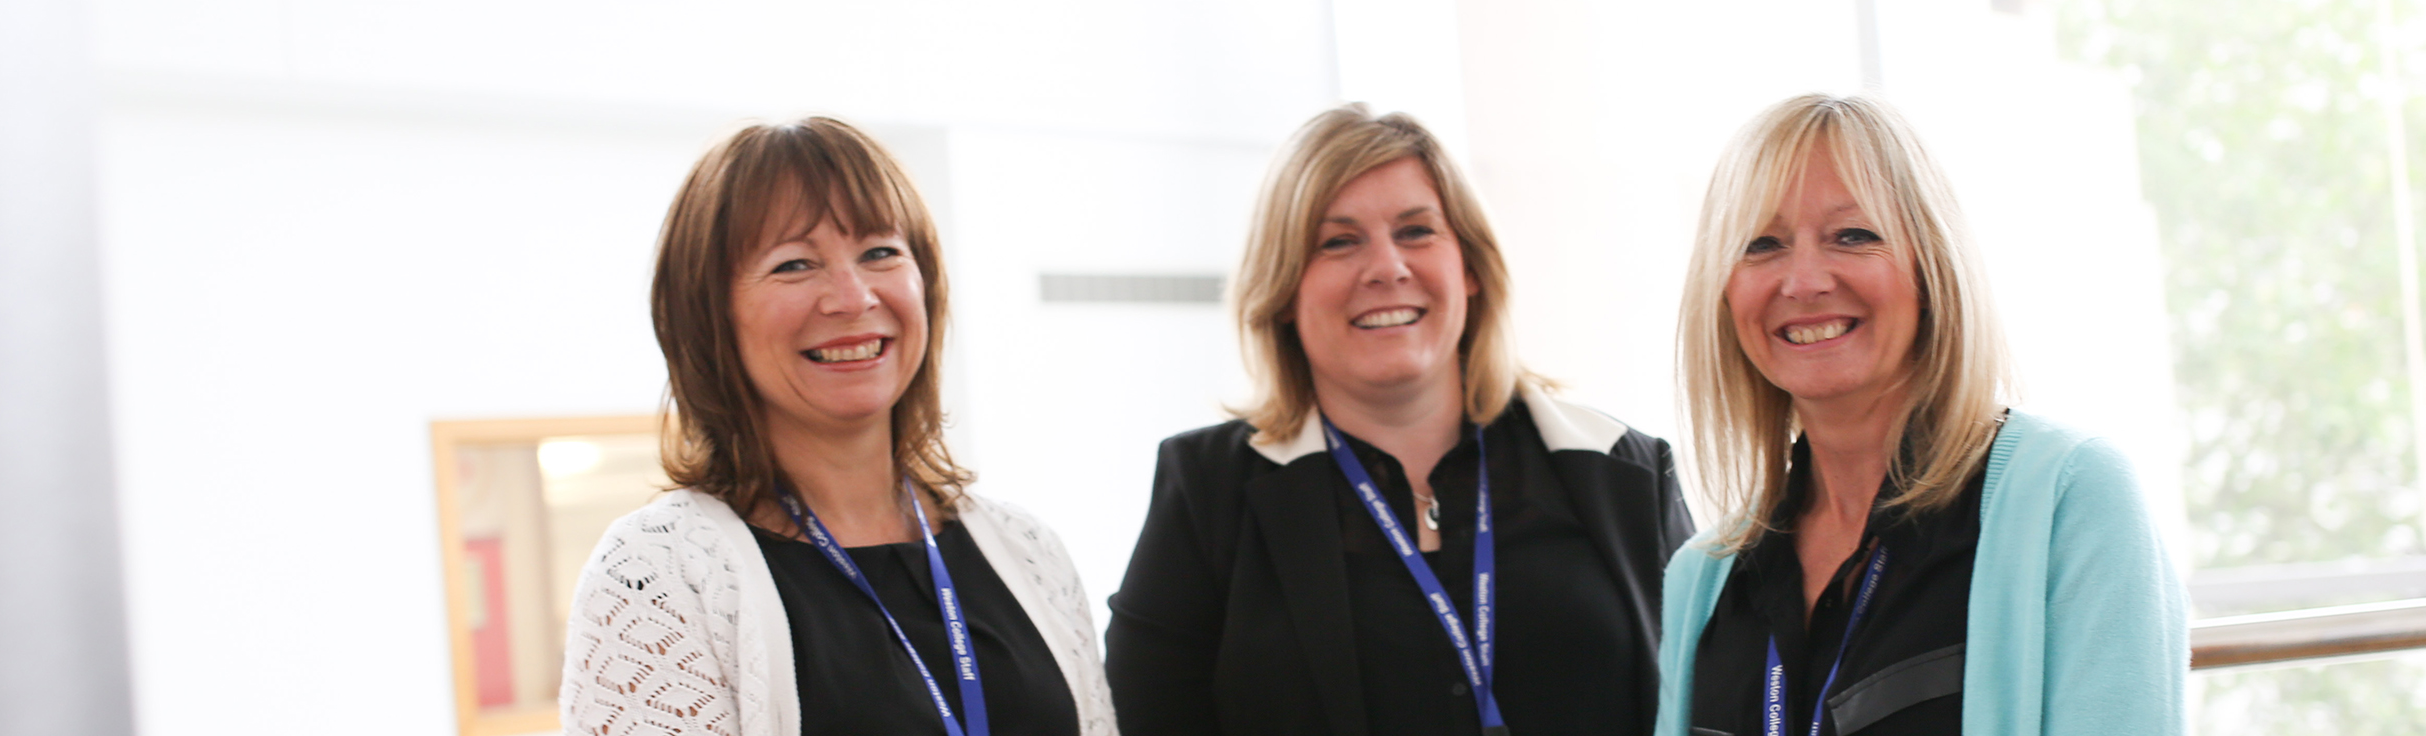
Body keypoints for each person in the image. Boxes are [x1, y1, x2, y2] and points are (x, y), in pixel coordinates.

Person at [1104, 103, 1696, 736]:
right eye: (1338, 242)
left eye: (1416, 231)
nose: (1388, 267)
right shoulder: (1206, 490)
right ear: (1283, 290)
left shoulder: (1620, 469)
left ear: (1470, 267)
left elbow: (1704, 700)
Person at [1652, 94, 2187, 736]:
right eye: (1761, 245)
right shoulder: (1702, 580)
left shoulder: (2069, 497)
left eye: (1853, 236)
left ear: (1930, 267)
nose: (1803, 280)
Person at [562, 117, 1116, 736]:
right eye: (794, 264)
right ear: (710, 315)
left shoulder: (1028, 548)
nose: (853, 298)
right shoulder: (660, 575)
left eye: (880, 253)